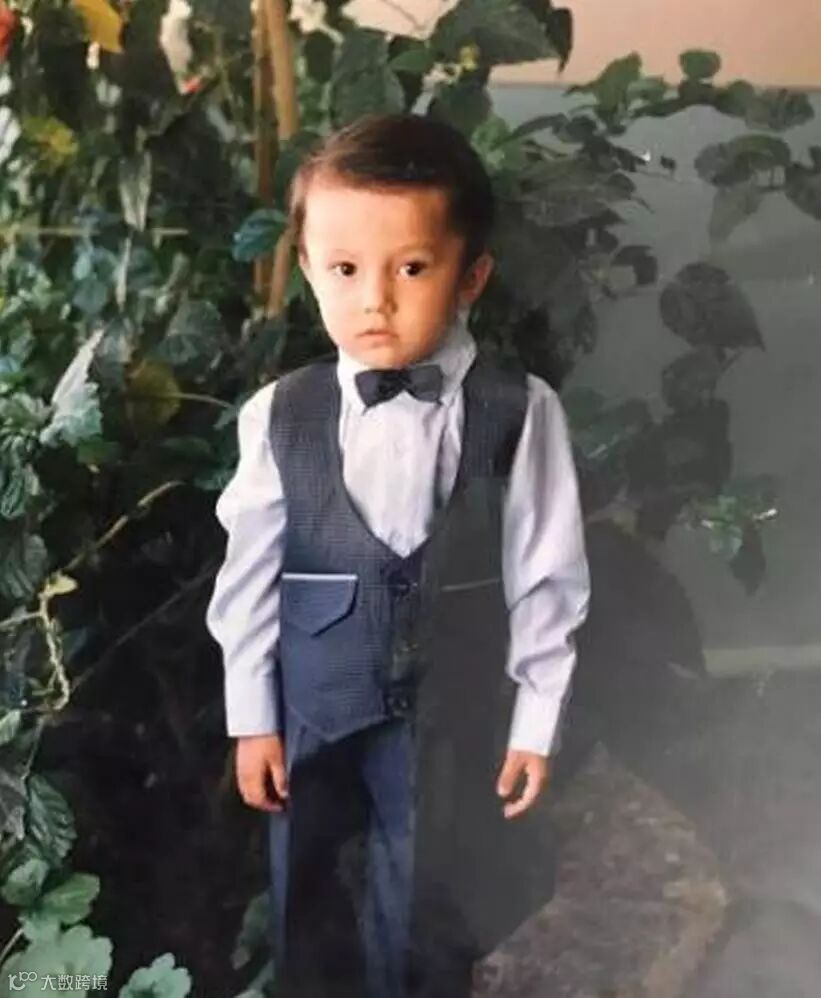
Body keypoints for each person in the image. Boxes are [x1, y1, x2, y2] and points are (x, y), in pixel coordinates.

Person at [205, 112, 591, 998]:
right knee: (303, 890)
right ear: (308, 269)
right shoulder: (280, 413)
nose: (373, 300)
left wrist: (534, 722)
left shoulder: (518, 408)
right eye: (344, 269)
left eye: (410, 268)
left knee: (421, 906)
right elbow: (249, 577)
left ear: (470, 276)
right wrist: (252, 717)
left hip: (442, 706)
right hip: (313, 702)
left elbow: (547, 575)